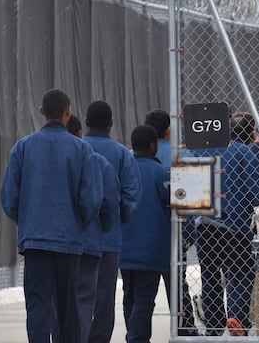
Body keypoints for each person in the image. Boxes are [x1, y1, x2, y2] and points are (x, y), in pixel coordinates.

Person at [0, 88, 103, 343]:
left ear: (41, 111)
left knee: (38, 306)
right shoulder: (82, 150)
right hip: (68, 241)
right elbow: (92, 199)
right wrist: (77, 223)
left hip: (35, 240)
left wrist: (28, 220)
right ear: (68, 112)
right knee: (68, 307)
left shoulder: (22, 148)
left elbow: (9, 197)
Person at [183, 122, 259, 336]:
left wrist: (192, 228)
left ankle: (214, 326)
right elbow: (257, 191)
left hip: (204, 226)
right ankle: (237, 319)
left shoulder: (193, 153)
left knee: (210, 276)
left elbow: (187, 198)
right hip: (236, 227)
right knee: (241, 273)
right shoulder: (242, 152)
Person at [51, 115, 121, 343]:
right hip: (89, 241)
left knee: (56, 301)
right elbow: (109, 201)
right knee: (83, 300)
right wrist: (101, 227)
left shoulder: (46, 160)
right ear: (80, 133)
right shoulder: (98, 160)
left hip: (54, 241)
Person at [81, 101, 141, 343]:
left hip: (80, 237)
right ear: (111, 123)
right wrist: (120, 219)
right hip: (109, 238)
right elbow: (132, 194)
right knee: (105, 298)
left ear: (85, 122)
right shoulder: (121, 154)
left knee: (79, 295)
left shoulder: (78, 148)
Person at [142, 109, 198, 336]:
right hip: (174, 235)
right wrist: (190, 236)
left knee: (141, 295)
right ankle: (185, 331)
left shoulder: (132, 157)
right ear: (168, 131)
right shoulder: (182, 155)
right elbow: (192, 201)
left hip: (143, 235)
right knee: (177, 288)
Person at [120, 124, 172, 343]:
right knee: (144, 297)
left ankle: (133, 334)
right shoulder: (161, 173)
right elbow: (173, 206)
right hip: (151, 248)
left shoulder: (122, 170)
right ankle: (137, 338)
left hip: (123, 246)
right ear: (153, 146)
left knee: (129, 295)